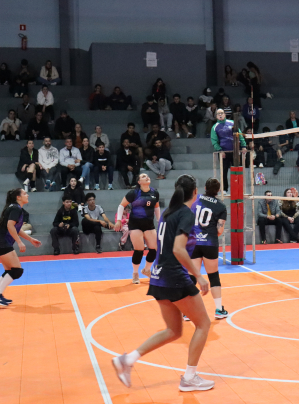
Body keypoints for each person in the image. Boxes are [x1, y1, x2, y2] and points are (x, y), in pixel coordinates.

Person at [112, 174, 214, 393]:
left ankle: (127, 360)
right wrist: (198, 274)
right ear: (195, 192)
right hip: (173, 277)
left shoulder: (168, 213)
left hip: (159, 276)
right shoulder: (185, 214)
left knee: (173, 330)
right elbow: (178, 249)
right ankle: (189, 378)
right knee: (203, 324)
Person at [0, 188, 42, 306]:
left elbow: (16, 228)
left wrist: (30, 239)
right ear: (18, 197)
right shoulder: (16, 209)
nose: (27, 195)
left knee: (9, 270)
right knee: (17, 271)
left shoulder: (14, 207)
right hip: (2, 241)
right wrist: (19, 242)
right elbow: (10, 226)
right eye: (24, 193)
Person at [190, 178, 229, 319]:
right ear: (218, 190)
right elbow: (219, 230)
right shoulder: (221, 206)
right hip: (210, 243)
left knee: (192, 276)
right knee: (213, 276)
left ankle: (187, 312)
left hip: (193, 242)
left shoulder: (195, 199)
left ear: (205, 188)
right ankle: (218, 309)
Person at [113, 174, 160, 283]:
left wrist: (159, 221)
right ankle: (135, 273)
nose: (147, 177)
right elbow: (121, 205)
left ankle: (146, 270)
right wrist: (119, 220)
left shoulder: (155, 192)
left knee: (155, 249)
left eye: (147, 176)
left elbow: (156, 207)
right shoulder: (134, 193)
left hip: (149, 224)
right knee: (139, 250)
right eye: (143, 176)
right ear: (139, 182)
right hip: (135, 224)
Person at [211, 109, 247, 193]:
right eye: (218, 114)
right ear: (216, 116)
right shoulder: (214, 127)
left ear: (225, 114)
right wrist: (220, 150)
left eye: (222, 113)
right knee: (224, 171)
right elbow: (214, 141)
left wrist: (243, 146)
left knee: (237, 170)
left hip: (235, 151)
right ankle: (225, 189)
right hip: (224, 152)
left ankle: (238, 189)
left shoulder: (232, 123)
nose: (220, 115)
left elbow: (239, 135)